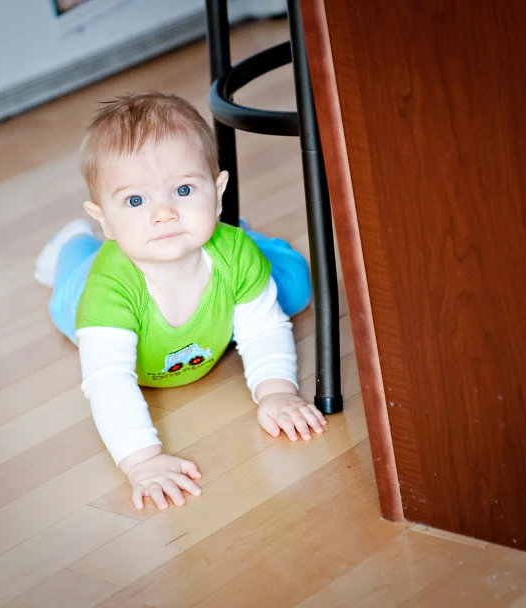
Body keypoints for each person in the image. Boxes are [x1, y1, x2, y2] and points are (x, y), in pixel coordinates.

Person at [34, 93, 327, 511]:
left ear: (218, 189)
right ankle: (73, 242)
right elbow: (109, 382)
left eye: (184, 189)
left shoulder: (233, 255)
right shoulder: (105, 295)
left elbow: (264, 328)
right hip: (92, 281)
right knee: (64, 307)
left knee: (293, 287)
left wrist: (277, 393)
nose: (164, 213)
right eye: (135, 201)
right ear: (105, 219)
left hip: (223, 251)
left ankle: (234, 229)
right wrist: (142, 461)